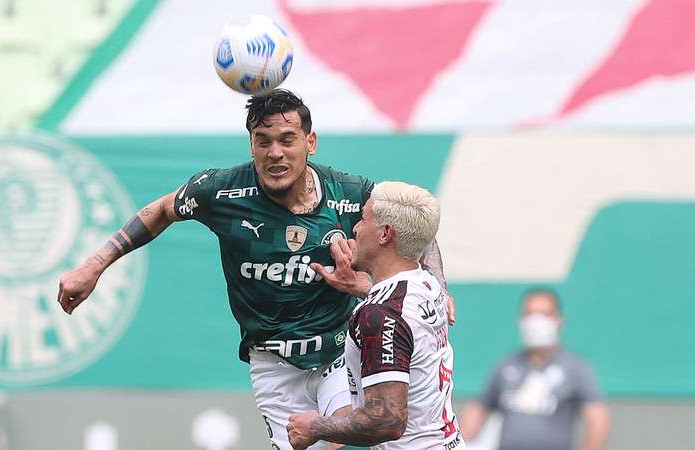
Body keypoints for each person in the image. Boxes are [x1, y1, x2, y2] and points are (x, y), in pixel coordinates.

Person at [56, 89, 452, 450]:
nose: (274, 152)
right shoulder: (221, 191)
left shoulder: (349, 193)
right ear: (251, 145)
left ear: (310, 143)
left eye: (286, 140)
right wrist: (93, 266)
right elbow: (160, 210)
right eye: (262, 142)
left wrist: (435, 284)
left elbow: (410, 221)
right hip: (274, 365)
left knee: (363, 432)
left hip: (335, 353)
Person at [287, 181, 464, 450]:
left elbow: (387, 421)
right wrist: (364, 290)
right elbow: (401, 317)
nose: (355, 228)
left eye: (363, 219)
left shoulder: (378, 315)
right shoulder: (428, 285)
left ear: (384, 234)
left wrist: (315, 427)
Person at [460, 289, 610, 450]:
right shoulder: (506, 365)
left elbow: (598, 418)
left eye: (545, 314)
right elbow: (478, 410)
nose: (536, 322)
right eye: (529, 314)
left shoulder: (575, 367)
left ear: (559, 320)